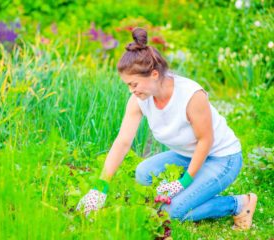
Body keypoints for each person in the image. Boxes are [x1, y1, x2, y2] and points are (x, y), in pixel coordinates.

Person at [76, 28, 257, 230]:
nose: (131, 90)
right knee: (144, 173)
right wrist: (100, 187)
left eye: (134, 84)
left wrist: (184, 182)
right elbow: (123, 142)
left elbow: (206, 141)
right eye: (128, 85)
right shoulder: (139, 100)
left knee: (172, 213)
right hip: (187, 155)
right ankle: (193, 195)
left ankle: (239, 204)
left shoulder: (191, 95)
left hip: (222, 158)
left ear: (154, 74)